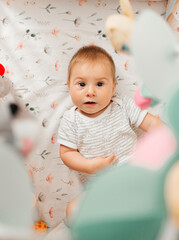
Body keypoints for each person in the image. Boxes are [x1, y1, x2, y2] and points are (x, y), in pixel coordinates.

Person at [57, 45, 163, 219]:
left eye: (100, 84)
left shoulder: (122, 105)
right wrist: (89, 166)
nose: (90, 92)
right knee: (72, 212)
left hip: (133, 174)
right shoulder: (71, 120)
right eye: (81, 84)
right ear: (69, 86)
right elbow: (67, 152)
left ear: (113, 87)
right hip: (100, 188)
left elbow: (151, 123)